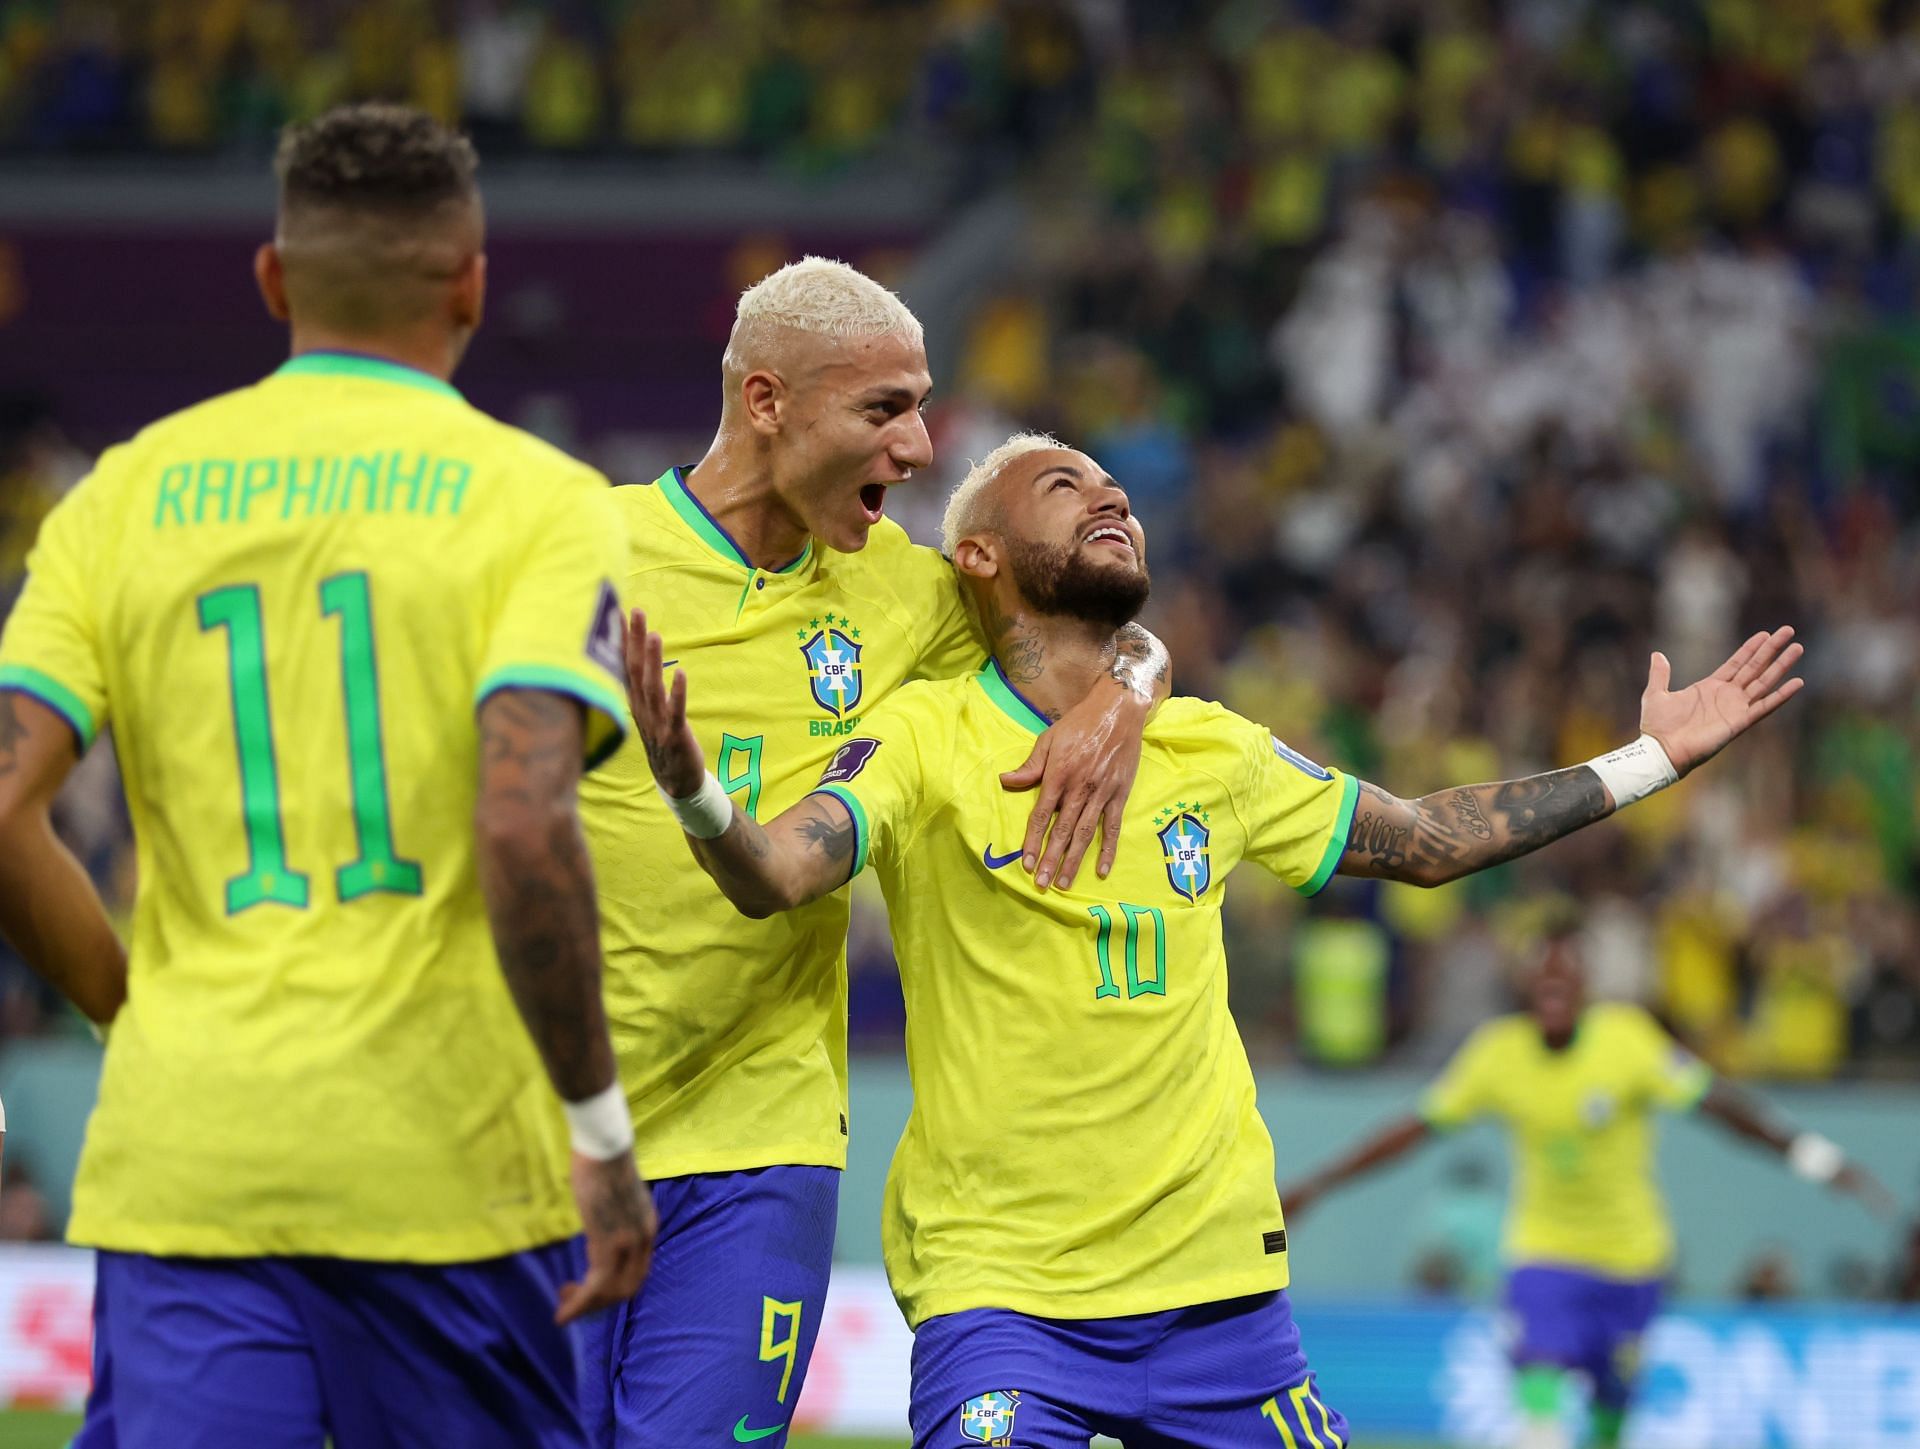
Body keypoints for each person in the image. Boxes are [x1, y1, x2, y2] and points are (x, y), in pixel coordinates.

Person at [622, 431, 1806, 1449]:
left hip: (1222, 1299)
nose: (1111, 499)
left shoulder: (1213, 749)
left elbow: (1429, 838)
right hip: (1004, 1299)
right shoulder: (926, 735)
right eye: (1065, 488)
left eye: (1119, 493)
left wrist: (1650, 758)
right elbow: (781, 869)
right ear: (975, 554)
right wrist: (697, 795)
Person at [0, 103, 653, 1448]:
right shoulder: (542, 500)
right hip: (449, 1177)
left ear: (273, 277)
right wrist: (600, 1129)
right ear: (472, 284)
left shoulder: (121, 494)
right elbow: (526, 821)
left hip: (193, 1164)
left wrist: (139, 1009)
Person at [576, 260, 1168, 1446]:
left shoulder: (911, 597)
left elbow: (1092, 618)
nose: (916, 445)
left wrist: (1130, 694)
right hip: (550, 1125)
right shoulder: (588, 551)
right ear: (766, 403)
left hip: (760, 1142)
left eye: (921, 406)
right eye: (883, 409)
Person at [1282, 929, 1894, 1449]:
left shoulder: (1627, 1040)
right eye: (1541, 982)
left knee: (1610, 1414)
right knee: (1540, 1393)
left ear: (1583, 991)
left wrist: (1810, 1156)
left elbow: (1718, 1106)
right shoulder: (1498, 1054)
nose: (1553, 991)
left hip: (1631, 1258)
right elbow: (1414, 1129)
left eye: (1565, 981)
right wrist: (1318, 1184)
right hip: (1544, 1251)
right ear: (1527, 993)